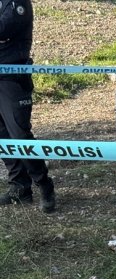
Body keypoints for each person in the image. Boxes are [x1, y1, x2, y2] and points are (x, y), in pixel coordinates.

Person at [0, 0, 56, 212]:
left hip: (12, 79)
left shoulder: (17, 2)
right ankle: (19, 187)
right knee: (2, 135)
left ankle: (44, 186)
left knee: (20, 135)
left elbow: (4, 27)